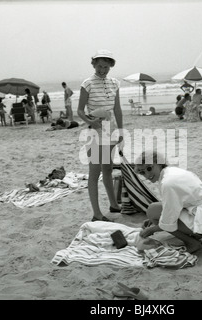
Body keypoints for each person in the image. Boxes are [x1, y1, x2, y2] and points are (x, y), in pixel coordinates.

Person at [134, 151, 202, 253]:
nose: (147, 174)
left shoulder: (167, 183)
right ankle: (192, 236)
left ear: (159, 163)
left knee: (153, 211)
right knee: (155, 210)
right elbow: (174, 205)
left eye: (149, 168)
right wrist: (155, 221)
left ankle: (191, 242)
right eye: (143, 172)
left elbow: (168, 218)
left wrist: (152, 229)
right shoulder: (172, 171)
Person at [77, 49, 123, 222]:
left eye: (106, 67)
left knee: (108, 169)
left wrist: (120, 131)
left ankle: (114, 205)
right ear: (94, 65)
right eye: (100, 66)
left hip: (110, 130)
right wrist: (92, 123)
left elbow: (117, 109)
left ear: (111, 66)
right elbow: (80, 111)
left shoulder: (115, 83)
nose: (103, 70)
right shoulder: (87, 83)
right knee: (95, 172)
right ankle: (96, 213)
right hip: (95, 131)